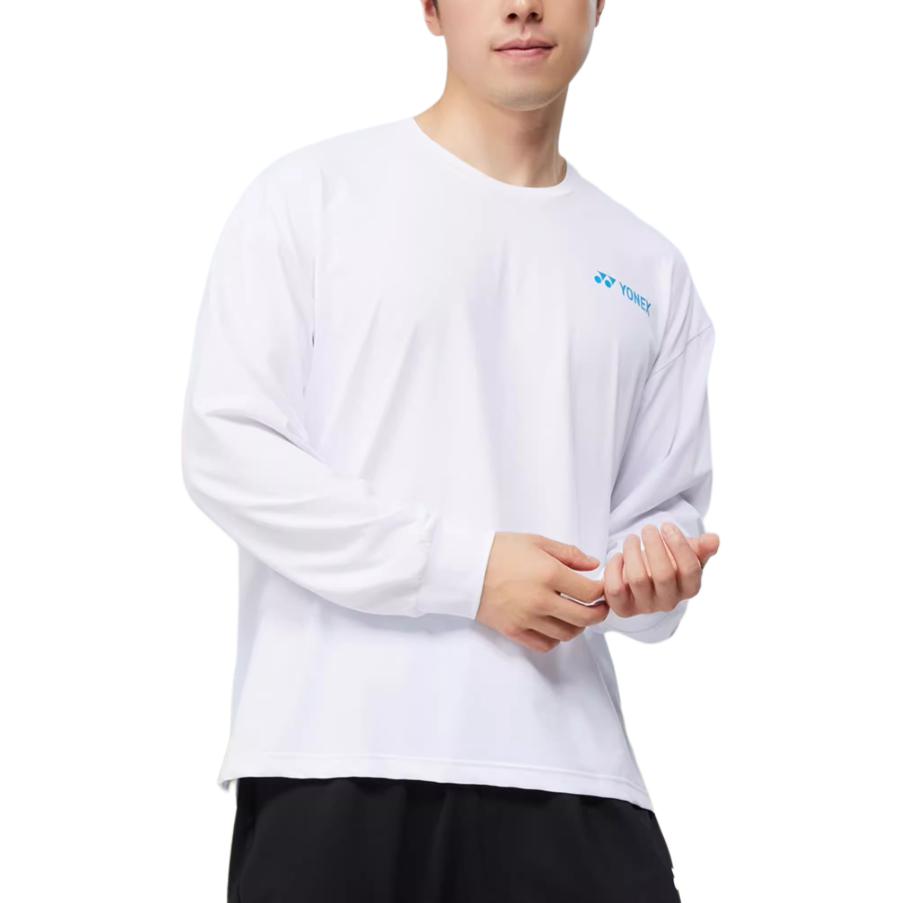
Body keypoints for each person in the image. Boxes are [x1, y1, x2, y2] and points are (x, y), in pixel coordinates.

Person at [181, 0, 720, 900]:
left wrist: (650, 574)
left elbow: (655, 522)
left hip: (573, 772)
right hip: (336, 757)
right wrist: (466, 571)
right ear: (431, 8)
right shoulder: (313, 195)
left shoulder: (648, 267)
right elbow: (228, 450)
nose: (521, 6)